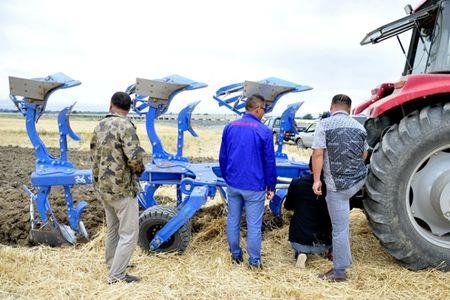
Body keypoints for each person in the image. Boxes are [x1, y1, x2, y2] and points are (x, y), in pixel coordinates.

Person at [90, 92, 146, 284]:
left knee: (113, 229)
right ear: (129, 109)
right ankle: (117, 275)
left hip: (103, 188)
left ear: (110, 105)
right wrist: (139, 172)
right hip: (122, 189)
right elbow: (135, 159)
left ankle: (113, 264)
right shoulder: (126, 126)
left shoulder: (100, 125)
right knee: (129, 233)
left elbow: (94, 156)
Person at [312, 94, 368, 282]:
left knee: (339, 228)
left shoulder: (324, 125)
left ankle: (339, 271)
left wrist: (317, 180)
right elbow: (364, 153)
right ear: (350, 110)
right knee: (342, 224)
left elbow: (318, 154)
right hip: (358, 181)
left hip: (337, 187)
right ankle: (345, 260)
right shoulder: (360, 127)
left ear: (331, 107)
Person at [219, 94, 277, 268]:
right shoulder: (264, 131)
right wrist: (271, 186)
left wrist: (228, 177)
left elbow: (223, 157)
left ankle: (236, 255)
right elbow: (269, 162)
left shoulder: (229, 127)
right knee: (253, 226)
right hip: (254, 186)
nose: (264, 114)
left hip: (234, 184)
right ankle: (254, 261)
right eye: (264, 111)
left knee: (233, 220)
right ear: (258, 109)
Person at [284, 157, 332, 269]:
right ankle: (329, 252)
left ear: (310, 166)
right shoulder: (331, 188)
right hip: (324, 241)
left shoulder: (297, 183)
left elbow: (288, 206)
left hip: (299, 240)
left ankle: (301, 253)